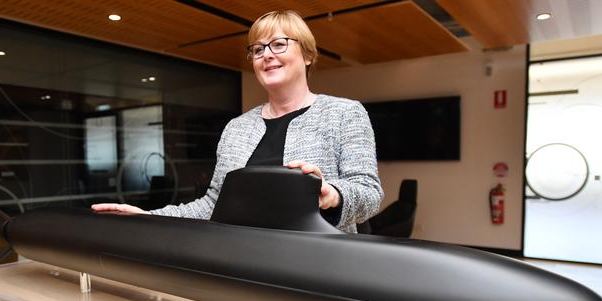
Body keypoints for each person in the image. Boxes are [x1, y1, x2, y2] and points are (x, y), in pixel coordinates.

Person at [92, 10, 383, 233]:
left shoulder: (345, 113)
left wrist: (332, 195)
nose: (266, 54)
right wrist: (148, 217)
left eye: (279, 44)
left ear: (307, 55)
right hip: (246, 263)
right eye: (257, 49)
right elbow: (212, 204)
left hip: (321, 270)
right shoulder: (237, 128)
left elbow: (369, 194)